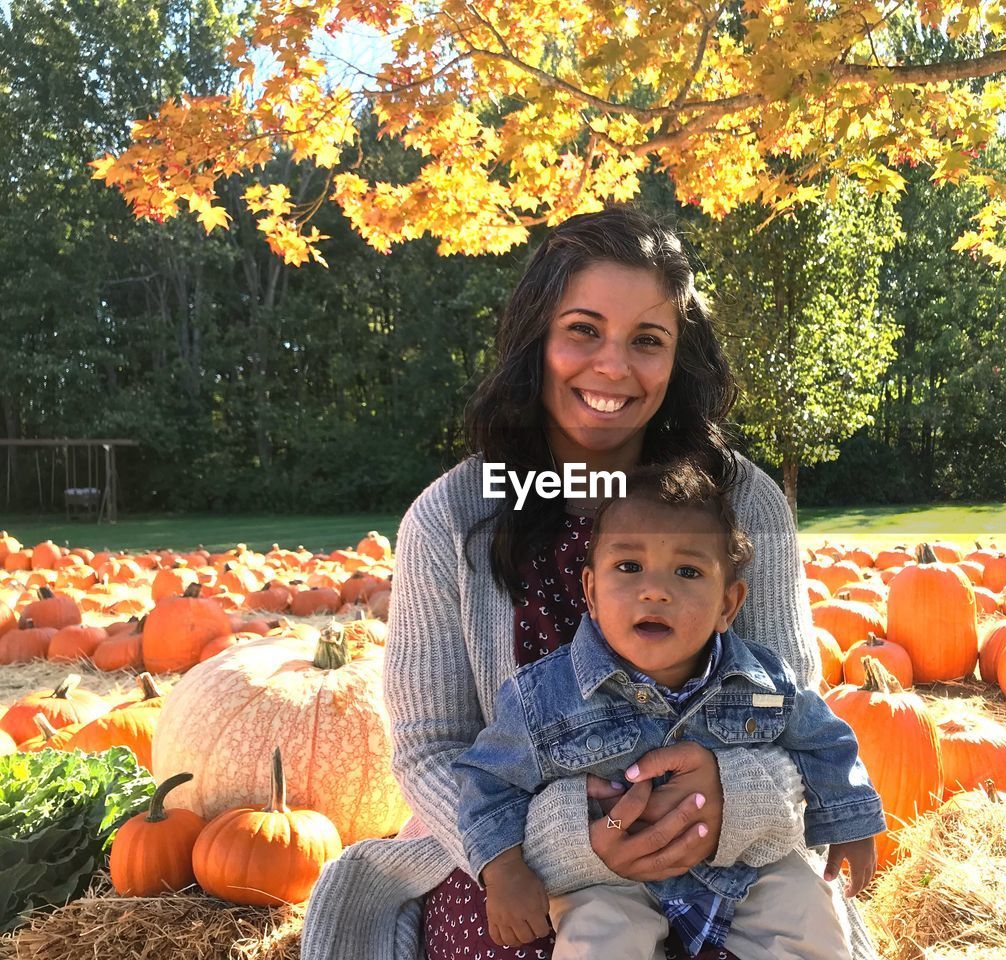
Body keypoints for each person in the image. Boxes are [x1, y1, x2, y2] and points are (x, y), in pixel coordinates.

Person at [299, 204, 883, 960]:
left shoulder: (744, 503)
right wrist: (577, 843)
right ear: (537, 336)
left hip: (734, 855)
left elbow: (793, 711)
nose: (612, 366)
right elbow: (431, 748)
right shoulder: (455, 516)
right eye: (583, 330)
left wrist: (727, 799)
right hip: (521, 860)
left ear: (679, 359)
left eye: (647, 340)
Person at [454, 460, 886, 959]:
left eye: (687, 571)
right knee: (598, 943)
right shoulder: (542, 696)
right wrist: (503, 868)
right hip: (610, 881)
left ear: (728, 603)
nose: (655, 589)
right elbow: (486, 779)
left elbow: (823, 740)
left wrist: (851, 818)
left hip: (744, 864)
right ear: (591, 592)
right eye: (629, 567)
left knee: (810, 914)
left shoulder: (764, 681)